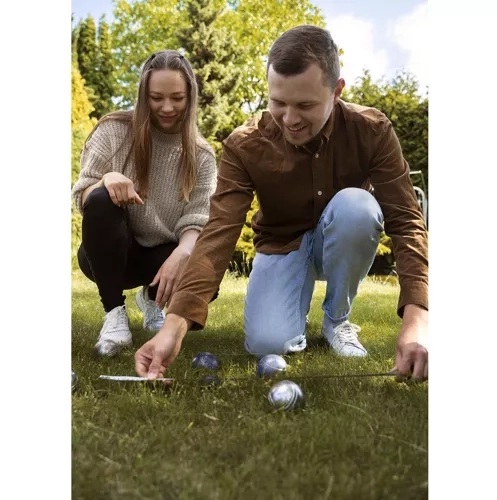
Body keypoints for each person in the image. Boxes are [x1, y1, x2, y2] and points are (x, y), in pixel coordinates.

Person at [134, 26, 429, 382]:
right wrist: (173, 328)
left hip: (343, 235)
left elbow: (406, 221)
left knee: (358, 206)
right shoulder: (245, 145)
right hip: (281, 245)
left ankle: (337, 320)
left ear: (336, 92)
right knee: (267, 341)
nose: (290, 119)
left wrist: (417, 323)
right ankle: (293, 308)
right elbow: (218, 235)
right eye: (278, 103)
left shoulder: (372, 130)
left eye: (305, 105)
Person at [72, 50, 217, 357]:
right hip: (114, 254)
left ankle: (153, 299)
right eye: (156, 98)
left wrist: (184, 253)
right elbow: (82, 196)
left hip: (162, 256)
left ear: (190, 97)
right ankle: (114, 315)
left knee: (206, 271)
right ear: (143, 94)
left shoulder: (202, 156)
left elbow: (198, 217)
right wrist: (107, 179)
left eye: (177, 98)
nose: (167, 108)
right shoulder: (113, 130)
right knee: (100, 198)